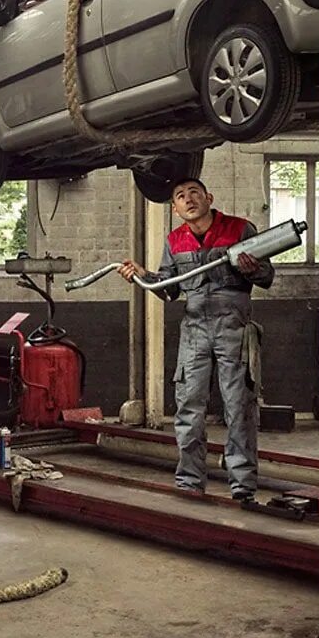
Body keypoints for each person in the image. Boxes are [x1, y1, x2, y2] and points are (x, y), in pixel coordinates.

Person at [118, 178, 274, 501]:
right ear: (175, 209)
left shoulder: (240, 229)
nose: (188, 199)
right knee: (189, 408)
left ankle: (243, 486)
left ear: (208, 198)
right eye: (180, 196)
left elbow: (267, 276)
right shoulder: (174, 241)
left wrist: (252, 269)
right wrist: (143, 276)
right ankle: (190, 482)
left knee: (239, 407)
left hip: (234, 326)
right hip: (194, 329)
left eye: (194, 193)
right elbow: (169, 289)